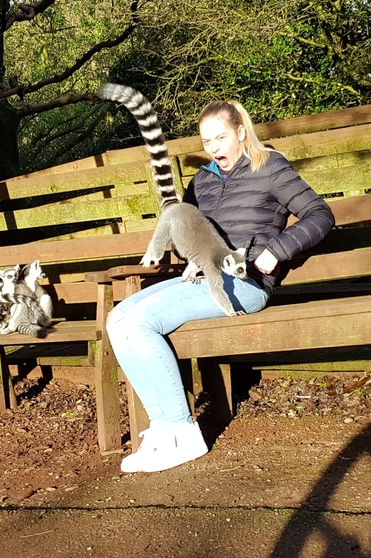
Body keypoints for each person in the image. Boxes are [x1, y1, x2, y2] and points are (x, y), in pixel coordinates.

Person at [106, 100, 335, 473]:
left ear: (241, 133)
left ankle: (183, 432)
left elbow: (321, 214)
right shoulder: (202, 181)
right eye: (206, 141)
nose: (213, 148)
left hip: (246, 284)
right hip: (203, 278)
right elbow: (182, 224)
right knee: (118, 319)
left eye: (221, 137)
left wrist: (277, 251)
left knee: (140, 321)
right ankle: (163, 429)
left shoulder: (270, 167)